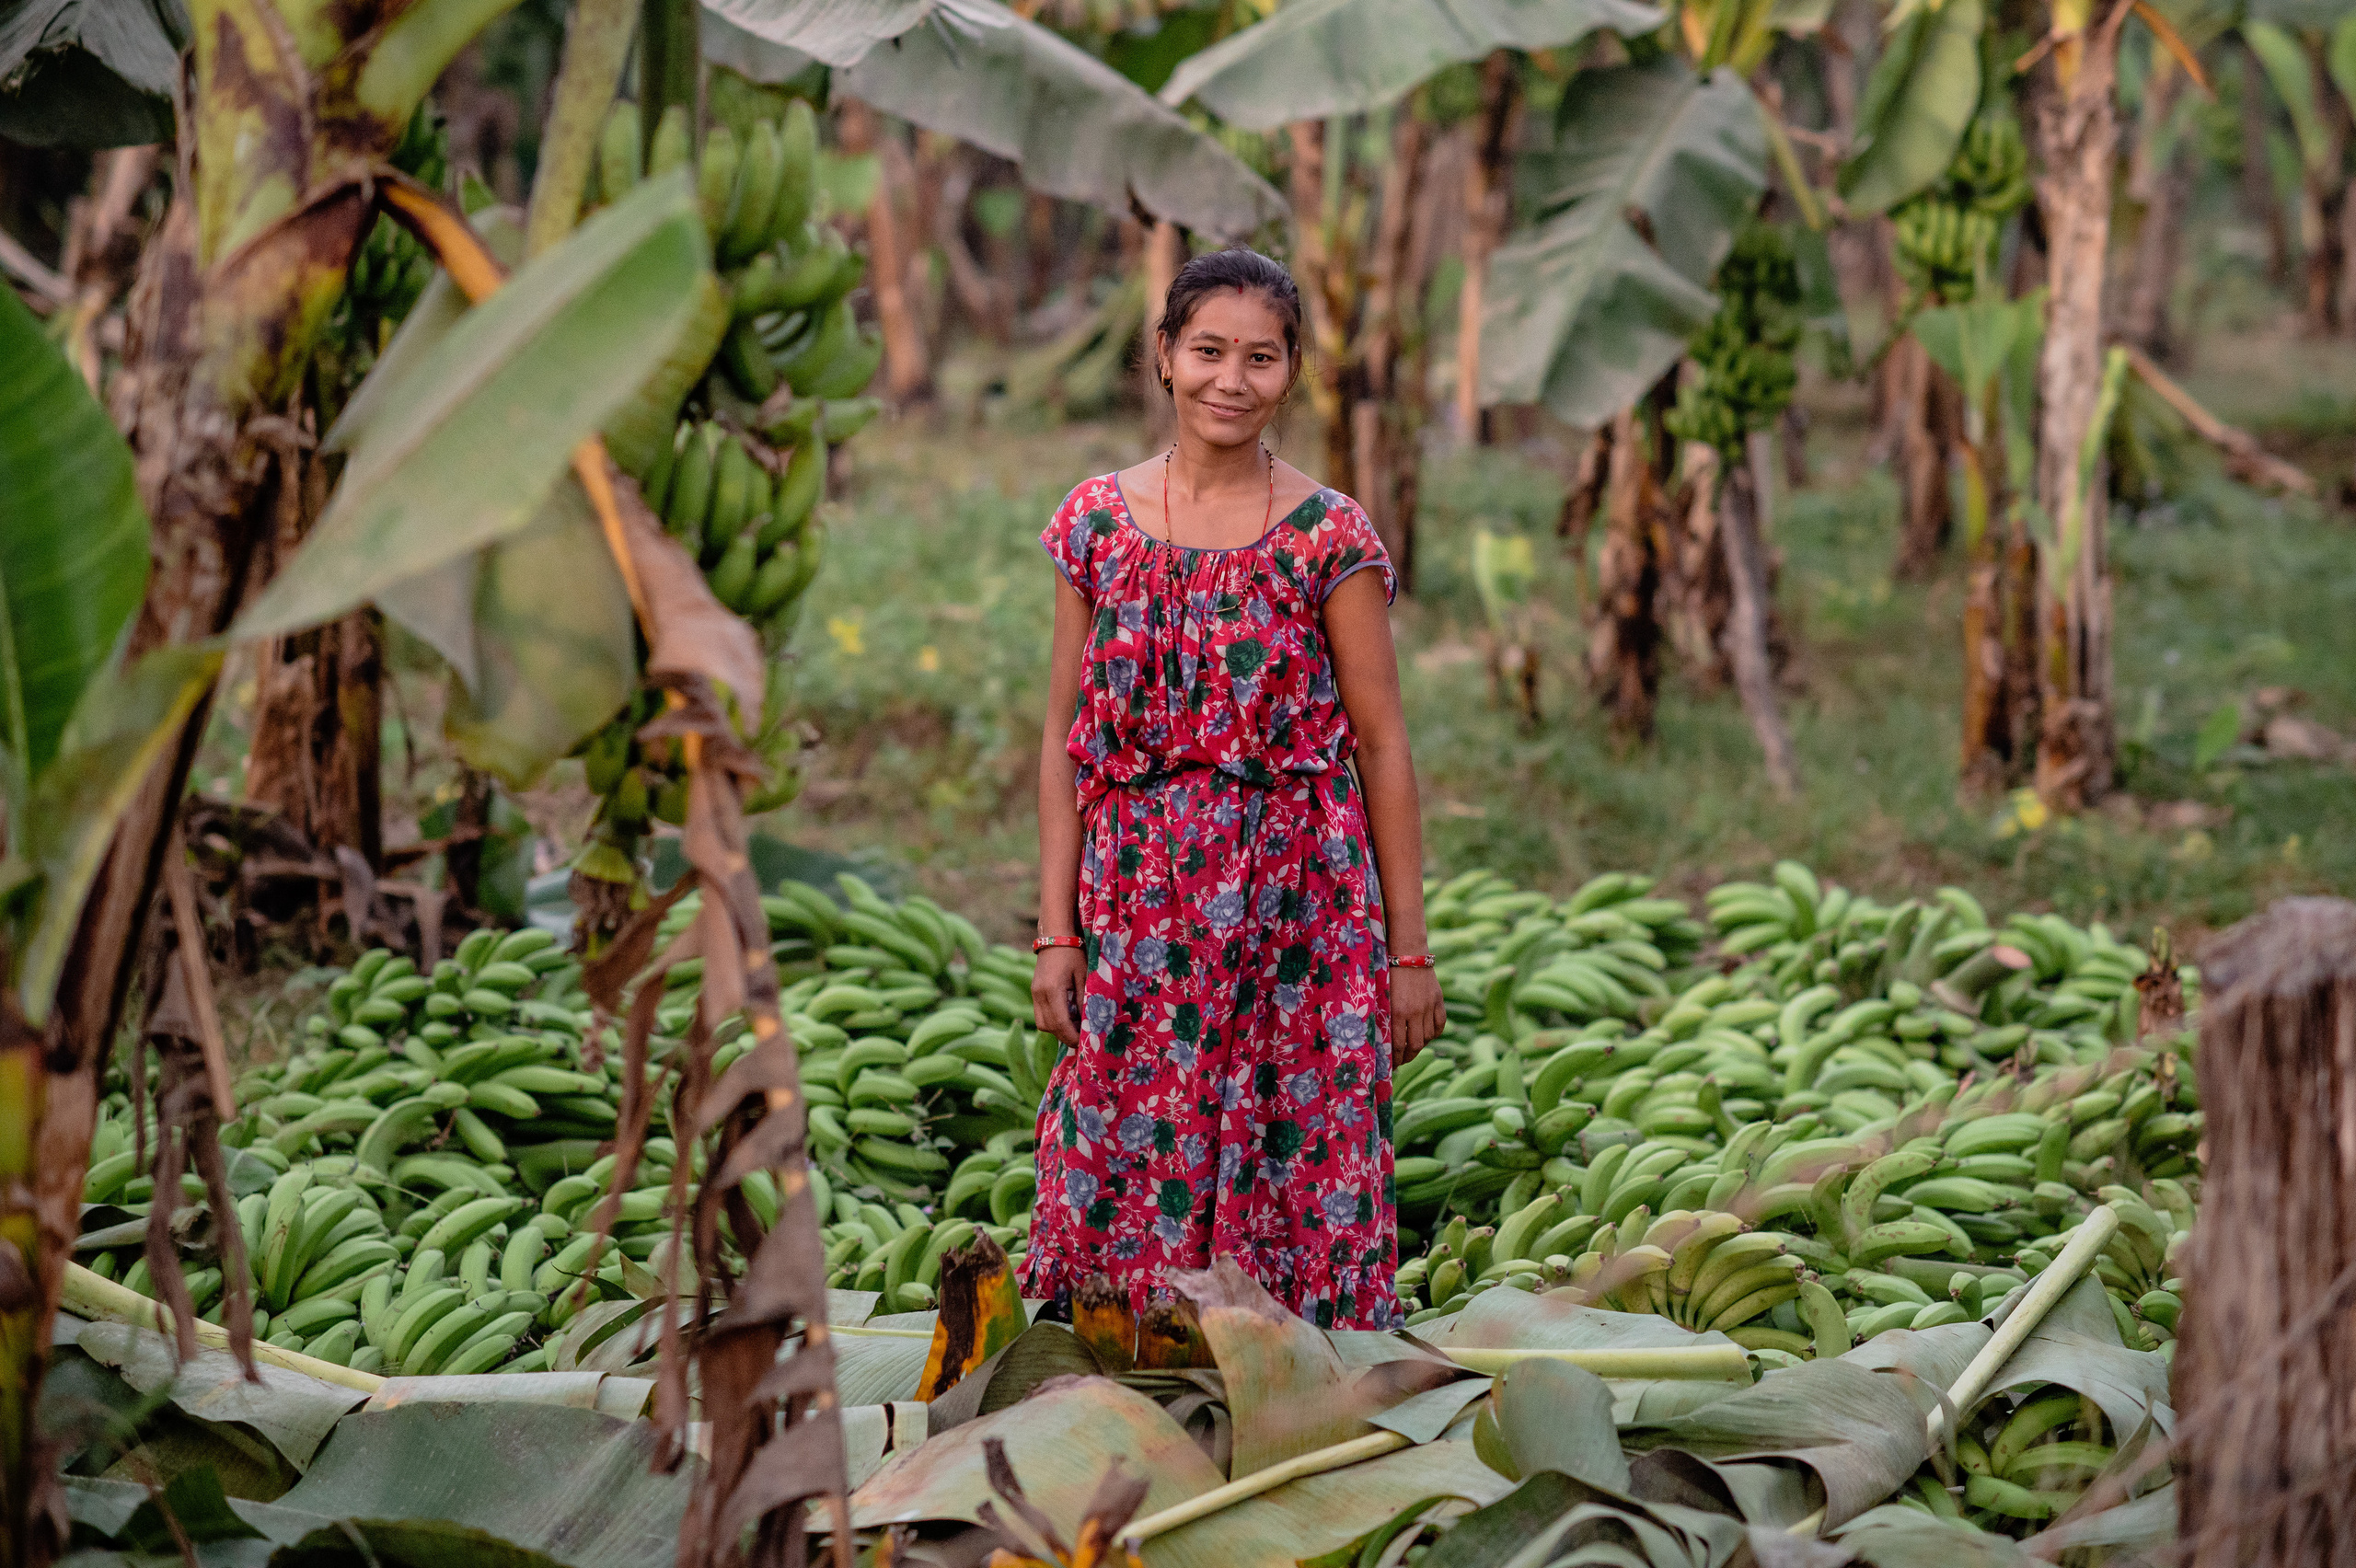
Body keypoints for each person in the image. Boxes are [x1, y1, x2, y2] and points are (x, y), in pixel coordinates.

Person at [1023, 248, 1446, 1331]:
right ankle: (1129, 1361)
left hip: (1295, 905)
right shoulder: (1097, 524)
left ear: (1291, 373)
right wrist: (1054, 930)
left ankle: (1295, 1375)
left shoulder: (1327, 536)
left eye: (1260, 358)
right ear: (1163, 357)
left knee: (1289, 1141)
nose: (1230, 379)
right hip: (1138, 902)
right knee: (1121, 1131)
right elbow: (1065, 741)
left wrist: (1408, 953)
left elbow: (1382, 746)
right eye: (1208, 350)